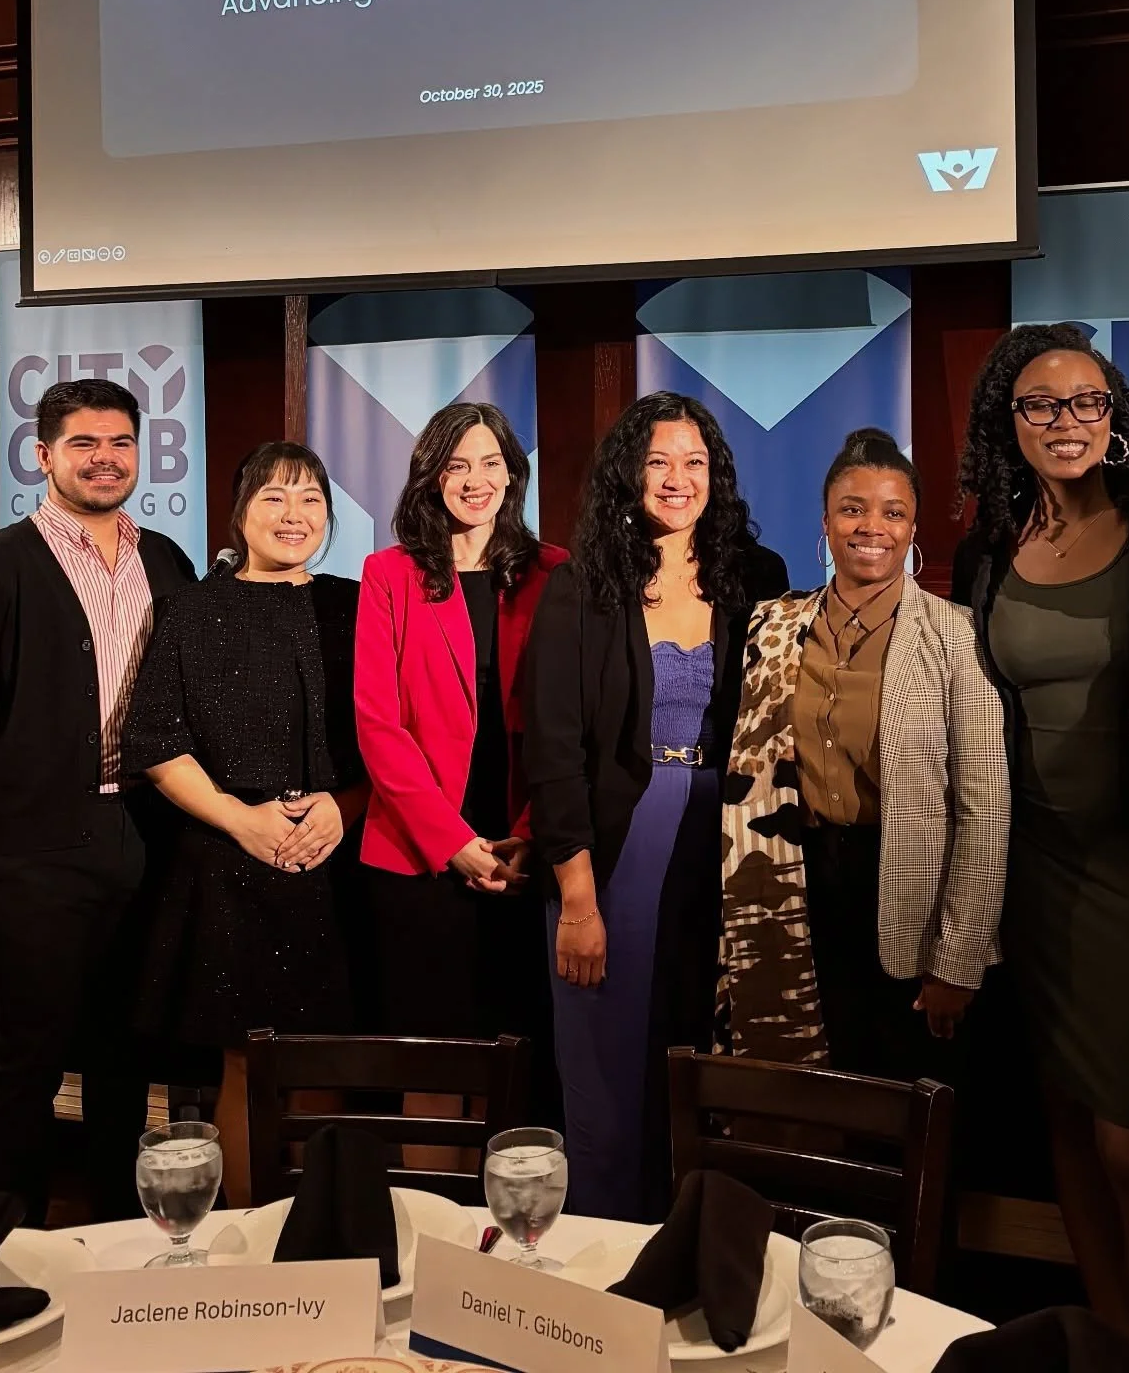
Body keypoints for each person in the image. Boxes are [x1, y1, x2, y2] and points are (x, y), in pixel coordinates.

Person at [953, 326, 1129, 1360]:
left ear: (1114, 416)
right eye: (1043, 405)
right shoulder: (989, 543)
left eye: (1087, 403)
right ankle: (1106, 1348)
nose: (1067, 422)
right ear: (1008, 421)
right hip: (1030, 868)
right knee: (1063, 1124)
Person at [524, 391, 787, 1220]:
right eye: (659, 462)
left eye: (695, 463)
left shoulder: (758, 575)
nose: (678, 480)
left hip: (734, 841)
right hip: (620, 844)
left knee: (707, 1049)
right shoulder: (582, 586)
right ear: (627, 474)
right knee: (610, 1056)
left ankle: (703, 1240)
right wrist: (576, 898)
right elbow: (554, 747)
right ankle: (608, 1242)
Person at [0, 379, 195, 1223]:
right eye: (84, 444)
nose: (105, 458)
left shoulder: (166, 559)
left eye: (120, 442)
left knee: (130, 1052)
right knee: (32, 1057)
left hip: (148, 834)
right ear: (44, 455)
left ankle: (124, 1236)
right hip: (37, 850)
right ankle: (6, 1245)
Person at [719, 426, 1009, 1082]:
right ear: (824, 523)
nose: (869, 527)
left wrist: (958, 959)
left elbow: (986, 812)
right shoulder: (772, 626)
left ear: (912, 529)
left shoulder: (957, 635)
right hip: (794, 883)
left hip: (906, 886)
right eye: (852, 509)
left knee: (909, 1091)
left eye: (892, 511)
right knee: (812, 1082)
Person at [122, 442, 366, 1207]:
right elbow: (156, 740)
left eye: (311, 501)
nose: (294, 516)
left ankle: (324, 1231)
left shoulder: (354, 603)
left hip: (341, 854)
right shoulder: (193, 610)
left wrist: (342, 807)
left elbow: (396, 733)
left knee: (330, 1057)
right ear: (238, 514)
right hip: (228, 860)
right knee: (244, 1060)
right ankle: (251, 1236)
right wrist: (241, 820)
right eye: (274, 498)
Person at [354, 404, 566, 1101]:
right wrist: (452, 843)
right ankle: (433, 1211)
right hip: (419, 855)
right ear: (431, 477)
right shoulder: (389, 575)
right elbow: (378, 725)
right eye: (457, 465)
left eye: (490, 463)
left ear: (513, 473)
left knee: (522, 1066)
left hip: (523, 850)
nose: (475, 480)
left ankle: (512, 1213)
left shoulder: (554, 573)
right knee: (433, 1069)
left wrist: (530, 837)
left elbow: (569, 723)